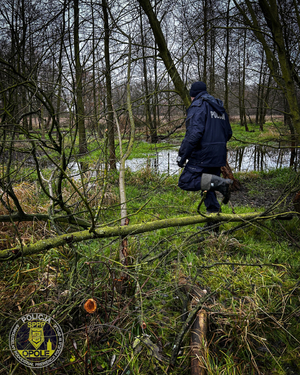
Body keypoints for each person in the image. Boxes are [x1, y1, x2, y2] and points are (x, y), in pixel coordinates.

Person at [177, 81, 233, 216]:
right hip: (219, 154)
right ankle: (213, 227)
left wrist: (182, 156)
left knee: (185, 181)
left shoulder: (198, 105)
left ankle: (221, 184)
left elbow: (193, 134)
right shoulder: (218, 107)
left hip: (203, 154)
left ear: (193, 95)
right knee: (209, 186)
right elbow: (228, 133)